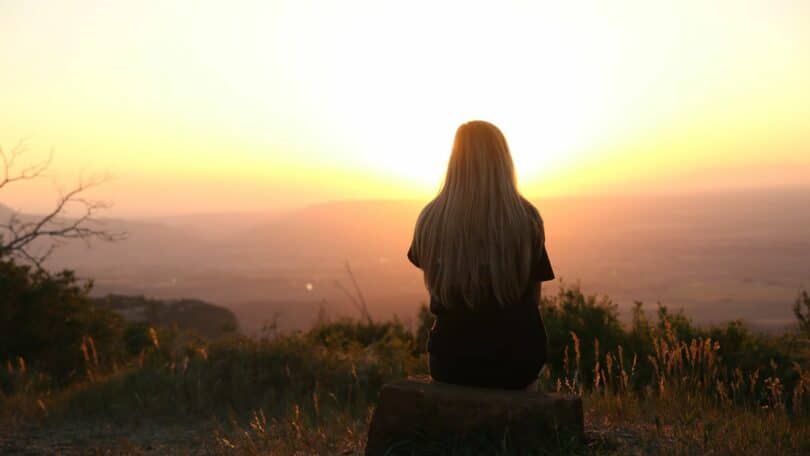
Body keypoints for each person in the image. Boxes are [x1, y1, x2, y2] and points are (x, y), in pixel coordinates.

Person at [407, 120, 555, 390]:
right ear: (503, 162)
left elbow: (434, 280)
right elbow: (533, 301)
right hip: (517, 362)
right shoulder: (527, 219)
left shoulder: (430, 220)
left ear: (454, 161)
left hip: (450, 362)